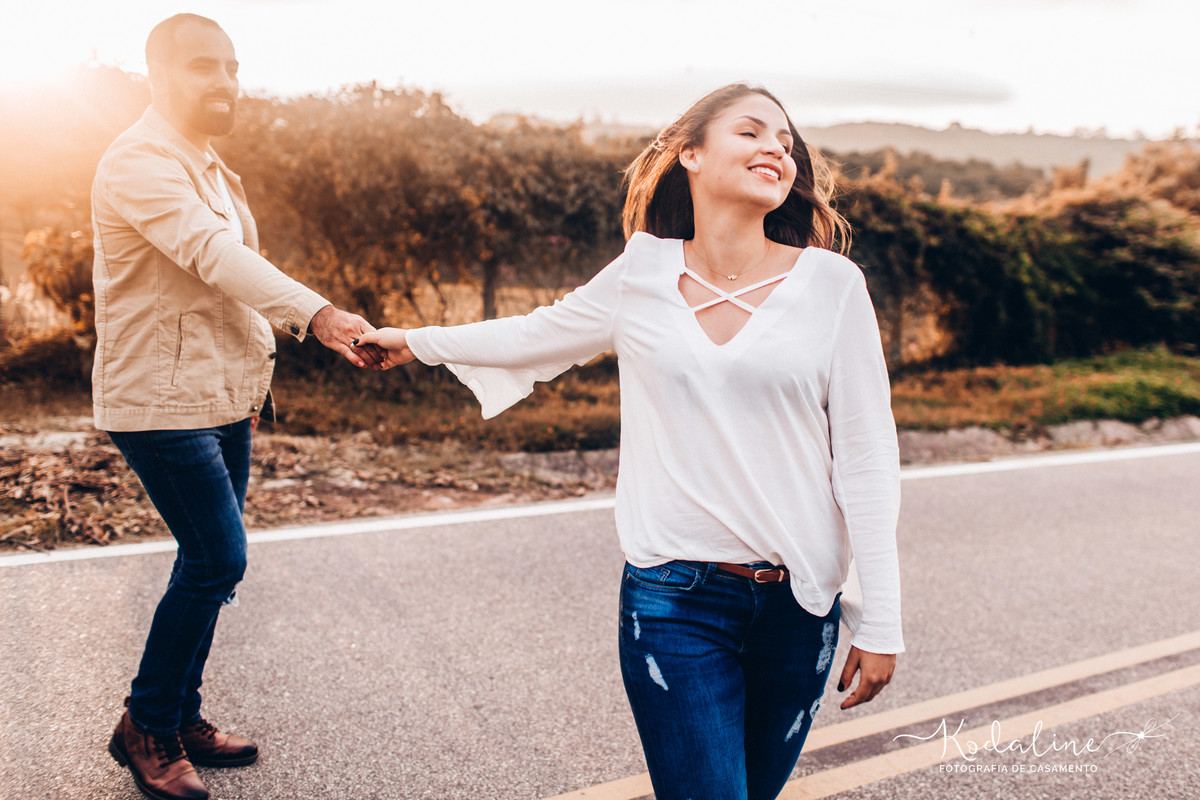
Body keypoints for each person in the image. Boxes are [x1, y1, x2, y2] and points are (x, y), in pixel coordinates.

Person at [358, 83, 903, 799]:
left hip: (799, 607)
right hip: (675, 602)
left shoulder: (833, 285)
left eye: (786, 141)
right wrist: (415, 341)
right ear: (691, 155)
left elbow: (866, 457)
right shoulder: (642, 272)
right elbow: (536, 333)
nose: (776, 147)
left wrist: (882, 620)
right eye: (750, 132)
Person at [92, 14, 381, 800]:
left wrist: (246, 395)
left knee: (208, 565)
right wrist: (320, 314)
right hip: (160, 400)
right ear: (158, 74)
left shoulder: (208, 163)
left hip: (218, 399)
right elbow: (215, 258)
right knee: (217, 560)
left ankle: (179, 715)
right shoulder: (140, 161)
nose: (223, 81)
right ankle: (146, 726)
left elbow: (230, 289)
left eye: (231, 66)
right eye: (202, 66)